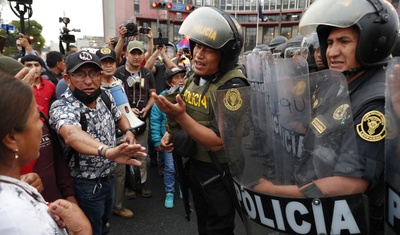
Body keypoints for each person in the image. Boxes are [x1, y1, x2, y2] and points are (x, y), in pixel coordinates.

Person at [254, 0, 398, 233]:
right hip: (320, 212)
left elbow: (350, 184)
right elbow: (331, 134)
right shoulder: (339, 83)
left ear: (372, 42)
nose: (331, 52)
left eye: (344, 41)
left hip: (345, 219)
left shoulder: (374, 102)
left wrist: (275, 192)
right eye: (329, 42)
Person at [151, 7, 249, 234]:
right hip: (196, 166)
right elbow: (185, 107)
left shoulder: (233, 86)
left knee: (218, 227)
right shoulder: (195, 77)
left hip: (219, 171)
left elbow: (217, 141)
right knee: (203, 224)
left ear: (225, 55)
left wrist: (180, 117)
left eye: (208, 50)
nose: (198, 54)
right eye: (197, 45)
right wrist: (169, 133)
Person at [49, 50, 147, 235]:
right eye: (79, 74)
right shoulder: (62, 106)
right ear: (67, 78)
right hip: (84, 184)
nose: (88, 81)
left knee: (103, 221)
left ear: (101, 76)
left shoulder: (104, 96)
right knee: (90, 229)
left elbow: (120, 116)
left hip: (108, 179)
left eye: (93, 73)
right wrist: (107, 151)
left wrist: (128, 132)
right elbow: (71, 134)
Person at [0, 73, 92, 235]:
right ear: (12, 138)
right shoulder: (17, 220)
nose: (42, 127)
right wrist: (82, 231)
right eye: (36, 118)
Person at [96, 47, 134, 219]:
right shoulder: (93, 86)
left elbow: (123, 109)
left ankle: (117, 206)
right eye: (103, 62)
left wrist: (129, 129)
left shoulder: (119, 82)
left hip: (120, 135)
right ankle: (102, 214)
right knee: (100, 176)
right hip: (99, 140)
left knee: (119, 173)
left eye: (111, 62)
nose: (108, 66)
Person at [115, 40, 156, 199]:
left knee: (141, 154)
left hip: (141, 120)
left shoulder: (147, 73)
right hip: (123, 121)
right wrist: (127, 108)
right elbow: (112, 96)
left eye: (140, 53)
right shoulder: (119, 73)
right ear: (127, 55)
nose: (137, 57)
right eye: (133, 53)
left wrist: (147, 107)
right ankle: (128, 186)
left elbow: (153, 94)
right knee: (124, 154)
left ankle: (142, 183)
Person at [150, 65, 186, 208]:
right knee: (170, 167)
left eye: (181, 77)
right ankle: (169, 192)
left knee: (183, 166)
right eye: (176, 78)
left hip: (183, 139)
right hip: (167, 140)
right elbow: (154, 121)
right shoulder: (161, 99)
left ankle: (183, 187)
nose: (180, 80)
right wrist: (156, 140)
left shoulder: (187, 96)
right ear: (169, 82)